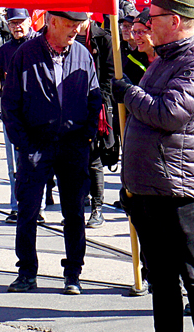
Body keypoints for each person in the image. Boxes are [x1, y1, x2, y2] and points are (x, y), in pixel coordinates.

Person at [112, 0, 194, 332]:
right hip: (150, 189)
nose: (145, 25)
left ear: (174, 21)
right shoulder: (162, 59)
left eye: (152, 18)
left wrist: (128, 93)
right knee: (161, 281)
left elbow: (168, 114)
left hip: (180, 192)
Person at [2, 11, 101, 295]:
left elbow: (94, 97)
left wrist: (87, 135)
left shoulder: (82, 53)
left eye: (78, 25)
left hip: (73, 145)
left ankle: (73, 273)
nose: (75, 30)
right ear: (52, 22)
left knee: (74, 212)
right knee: (28, 211)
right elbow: (10, 103)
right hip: (36, 144)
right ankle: (26, 272)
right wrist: (22, 142)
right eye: (70, 25)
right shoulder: (26, 54)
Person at [0, 9, 37, 224]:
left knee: (36, 162)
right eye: (12, 23)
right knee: (13, 166)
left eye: (20, 22)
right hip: (12, 115)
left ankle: (37, 207)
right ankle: (15, 206)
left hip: (37, 114)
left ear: (29, 22)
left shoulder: (39, 45)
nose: (17, 27)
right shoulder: (2, 52)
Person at [77, 12, 114, 228]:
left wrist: (101, 104)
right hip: (71, 107)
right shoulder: (67, 37)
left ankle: (97, 208)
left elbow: (108, 76)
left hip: (95, 107)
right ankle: (79, 202)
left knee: (94, 160)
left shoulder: (103, 38)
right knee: (76, 159)